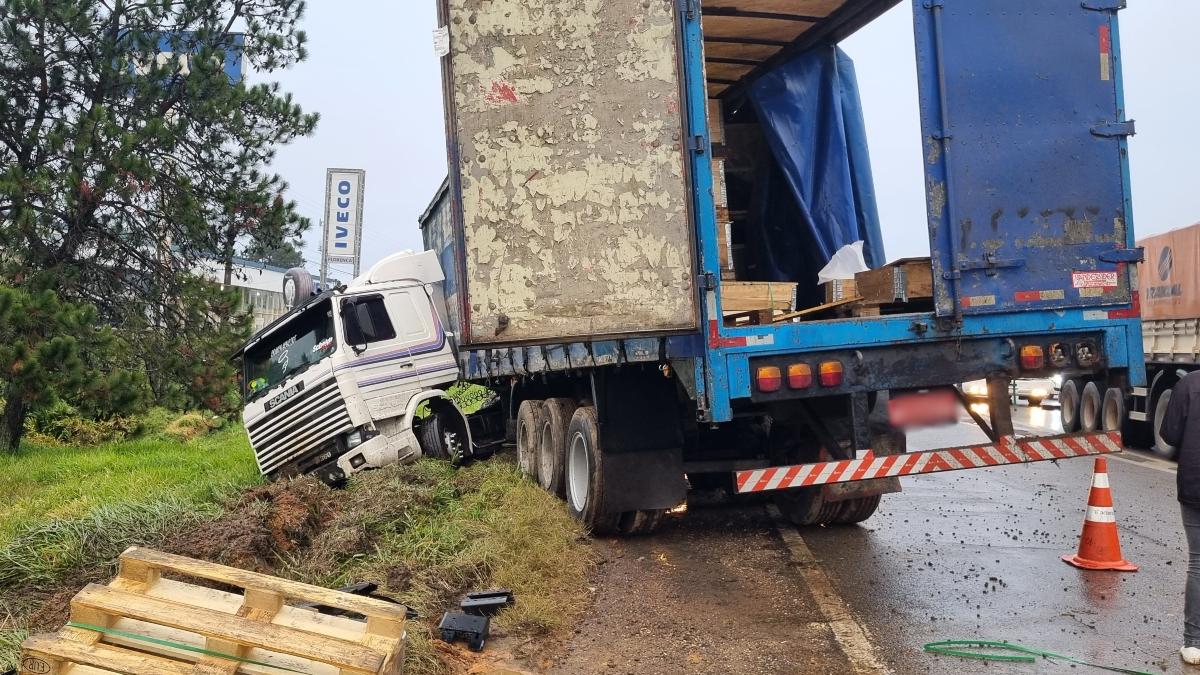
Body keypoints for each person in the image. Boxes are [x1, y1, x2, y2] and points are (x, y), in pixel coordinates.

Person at [1160, 372, 1200, 665]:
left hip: (1194, 484)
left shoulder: (1189, 384)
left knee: (1198, 562)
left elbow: (1170, 434)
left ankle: (1194, 643)